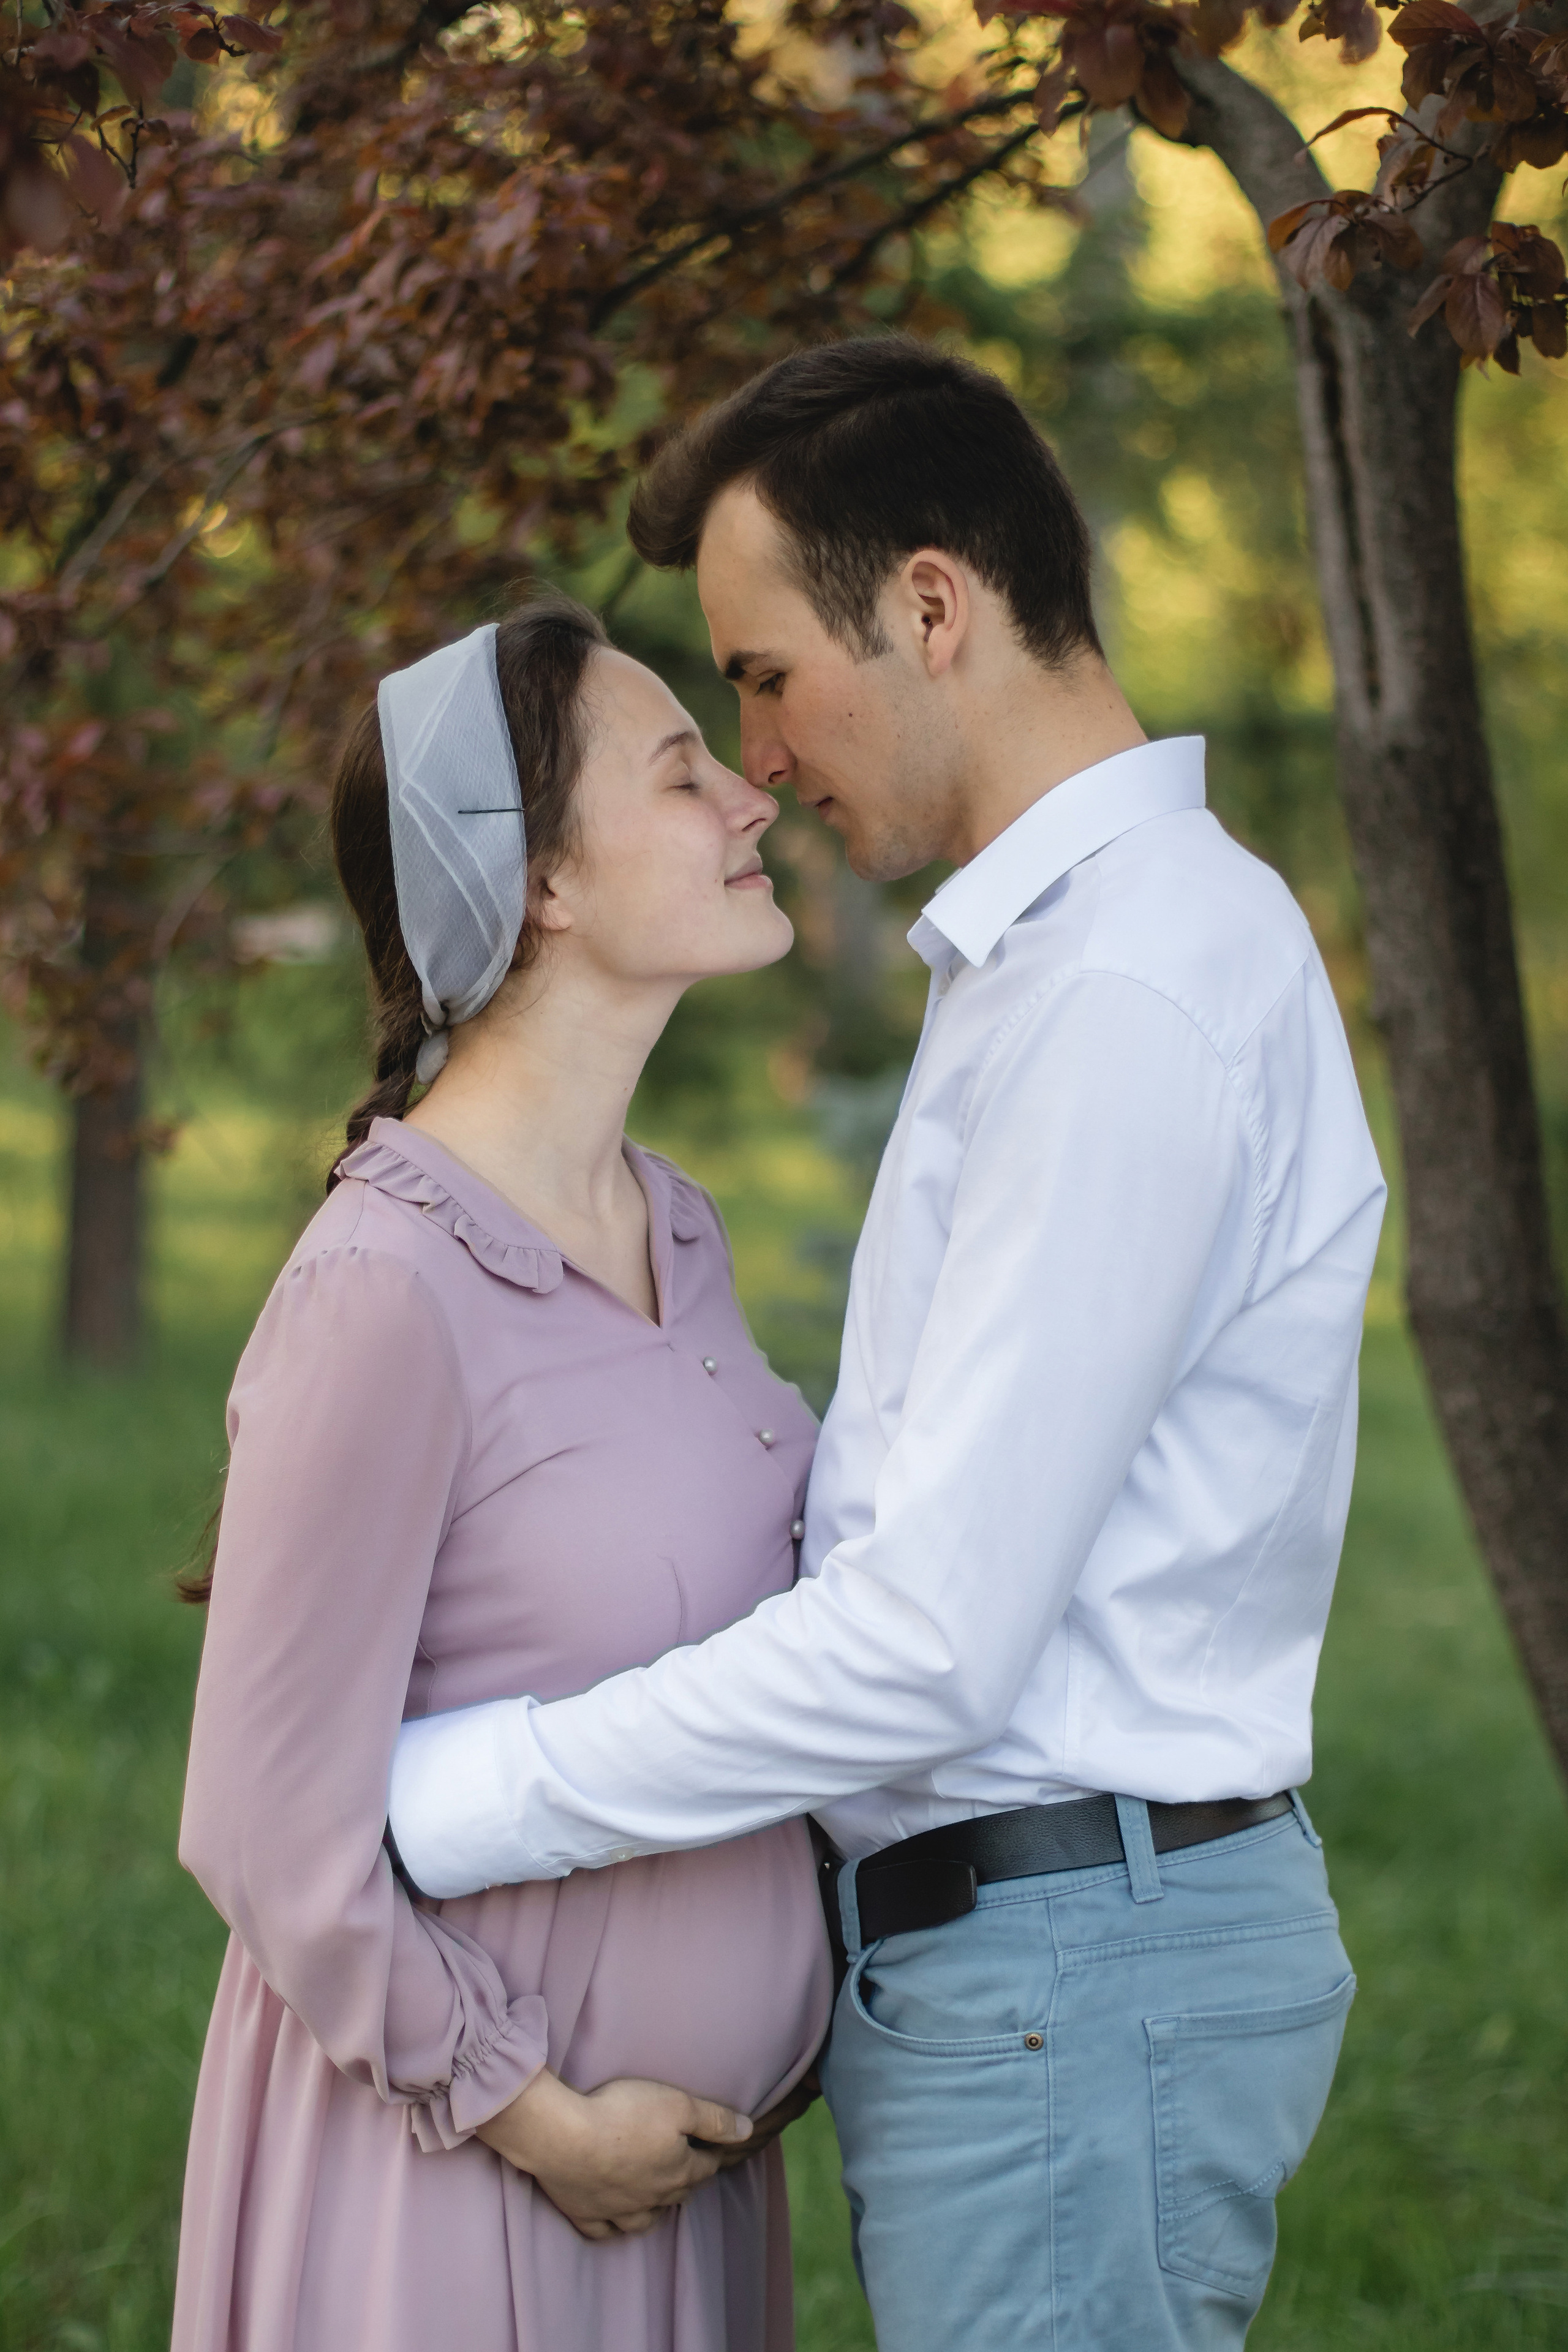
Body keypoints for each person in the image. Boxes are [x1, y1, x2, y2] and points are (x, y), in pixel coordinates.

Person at [386, 340, 1390, 2352]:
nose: (758, 760)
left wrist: (459, 1795)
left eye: (765, 677)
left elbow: (932, 1637)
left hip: (1070, 1974)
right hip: (1044, 1967)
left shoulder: (1125, 988)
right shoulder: (1060, 961)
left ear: (933, 608)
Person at [170, 595, 834, 2352]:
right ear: (541, 881)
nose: (752, 794)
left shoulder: (676, 1226)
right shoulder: (385, 1287)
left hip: (680, 2201)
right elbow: (263, 1823)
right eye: (682, 774)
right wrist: (534, 2115)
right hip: (465, 2192)